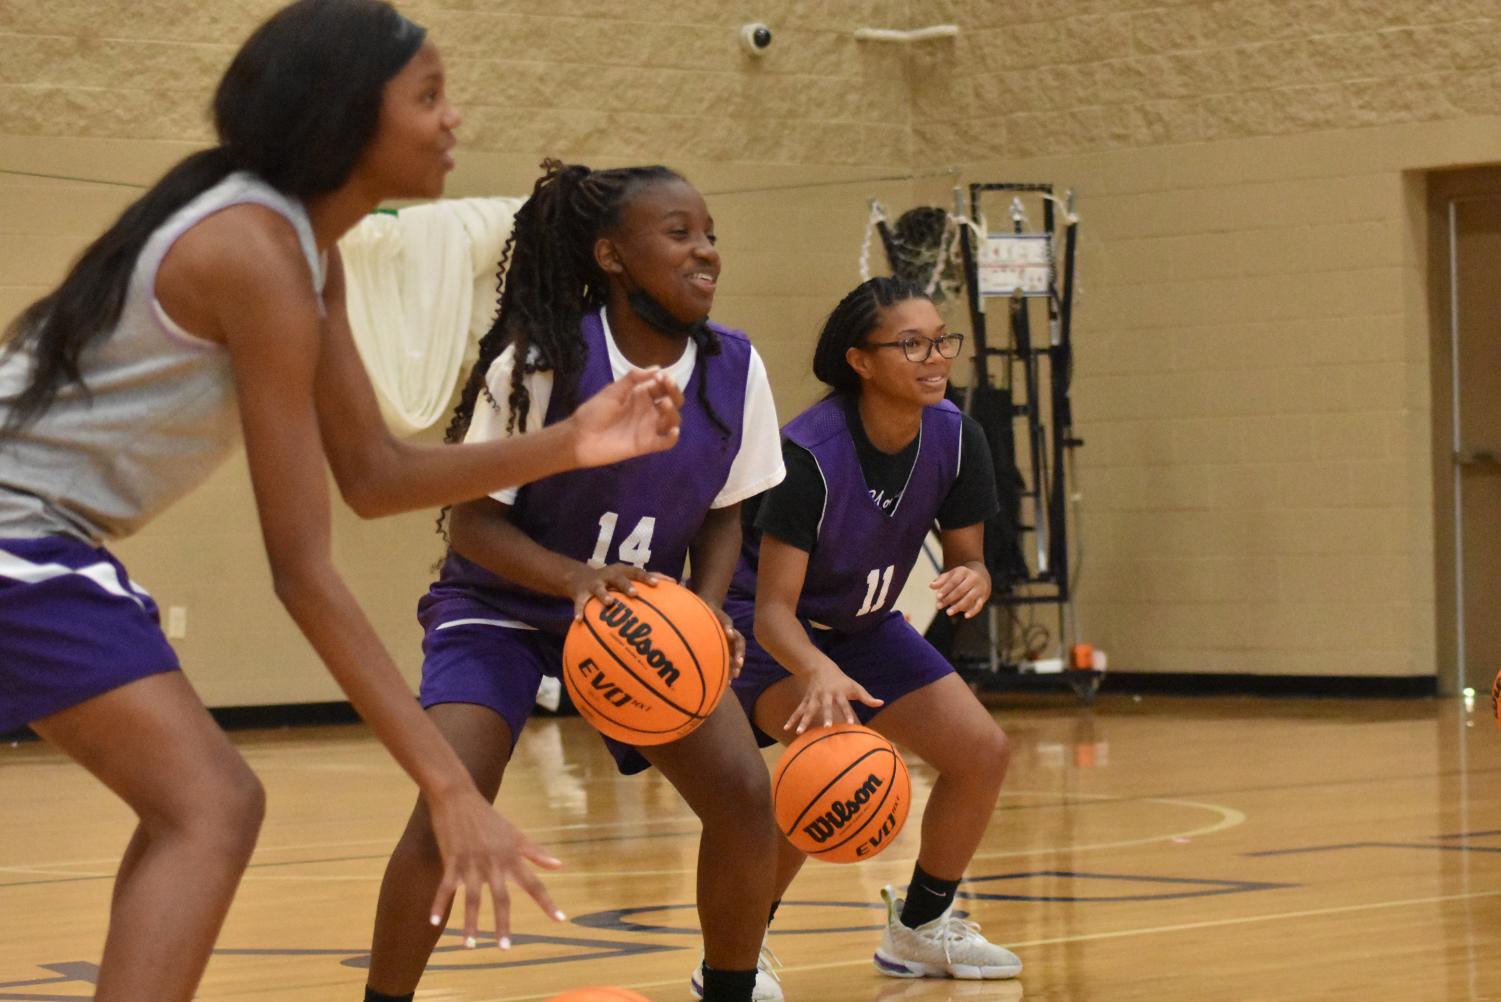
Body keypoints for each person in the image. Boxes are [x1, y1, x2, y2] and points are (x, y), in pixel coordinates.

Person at [0, 5, 684, 1000]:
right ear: (343, 118)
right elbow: (303, 571)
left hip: (39, 544)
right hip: (20, 542)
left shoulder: (299, 253)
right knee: (213, 805)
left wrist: (573, 442)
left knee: (201, 805)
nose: (453, 119)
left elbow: (371, 476)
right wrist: (448, 789)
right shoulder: (254, 253)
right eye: (428, 95)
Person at [362, 160, 786, 1002]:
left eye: (709, 235)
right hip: (503, 607)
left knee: (744, 796)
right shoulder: (543, 359)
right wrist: (574, 580)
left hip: (634, 619)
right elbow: (474, 523)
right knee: (452, 803)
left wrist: (703, 612)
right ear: (611, 256)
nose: (704, 252)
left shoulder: (737, 369)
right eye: (678, 234)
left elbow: (725, 513)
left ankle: (729, 989)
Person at [725, 276, 1023, 983]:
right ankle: (734, 952)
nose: (934, 357)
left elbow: (968, 558)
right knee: (827, 766)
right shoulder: (807, 454)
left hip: (863, 626)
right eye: (910, 344)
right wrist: (815, 670)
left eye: (941, 340)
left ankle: (919, 927)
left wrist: (975, 578)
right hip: (772, 631)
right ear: (860, 361)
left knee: (981, 752)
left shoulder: (955, 435)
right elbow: (771, 610)